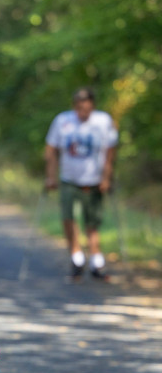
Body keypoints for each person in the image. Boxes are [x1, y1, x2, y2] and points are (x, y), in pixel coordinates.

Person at [45, 87, 118, 281]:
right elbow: (51, 149)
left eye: (86, 108)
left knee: (92, 221)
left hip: (94, 180)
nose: (82, 112)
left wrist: (106, 178)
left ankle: (96, 259)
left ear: (92, 106)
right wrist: (50, 176)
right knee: (68, 216)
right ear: (74, 106)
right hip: (69, 179)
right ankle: (76, 256)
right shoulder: (63, 121)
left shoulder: (103, 121)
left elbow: (110, 152)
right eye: (78, 108)